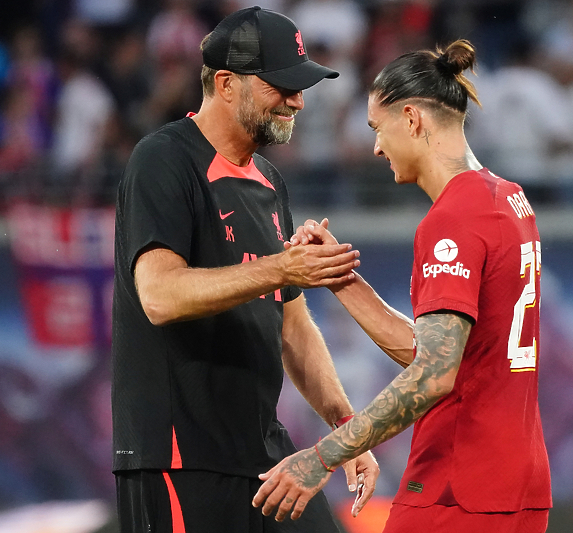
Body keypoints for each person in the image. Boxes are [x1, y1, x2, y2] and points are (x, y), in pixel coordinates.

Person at [253, 39, 552, 532]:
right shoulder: (509, 199)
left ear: (411, 119)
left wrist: (323, 455)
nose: (375, 146)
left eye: (377, 128)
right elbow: (438, 350)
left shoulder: (451, 220)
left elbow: (434, 374)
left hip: (456, 486)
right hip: (517, 485)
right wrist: (340, 278)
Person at [111, 7, 379, 533]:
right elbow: (159, 295)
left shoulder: (270, 181)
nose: (297, 100)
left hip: (264, 455)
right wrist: (281, 267)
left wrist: (347, 431)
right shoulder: (163, 160)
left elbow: (294, 328)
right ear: (227, 84)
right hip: (178, 457)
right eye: (281, 85)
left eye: (301, 86)